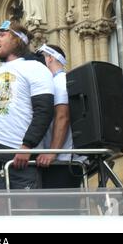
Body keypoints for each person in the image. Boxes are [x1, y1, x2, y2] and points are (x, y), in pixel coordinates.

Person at [0, 20, 54, 194]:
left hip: (19, 154)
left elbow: (44, 110)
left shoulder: (35, 67)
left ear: (18, 40)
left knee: (26, 212)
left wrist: (27, 146)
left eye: (2, 35)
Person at [36, 44, 85, 188]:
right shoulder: (54, 82)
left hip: (61, 161)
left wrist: (52, 152)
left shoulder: (60, 81)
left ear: (50, 58)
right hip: (54, 160)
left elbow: (63, 116)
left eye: (41, 58)